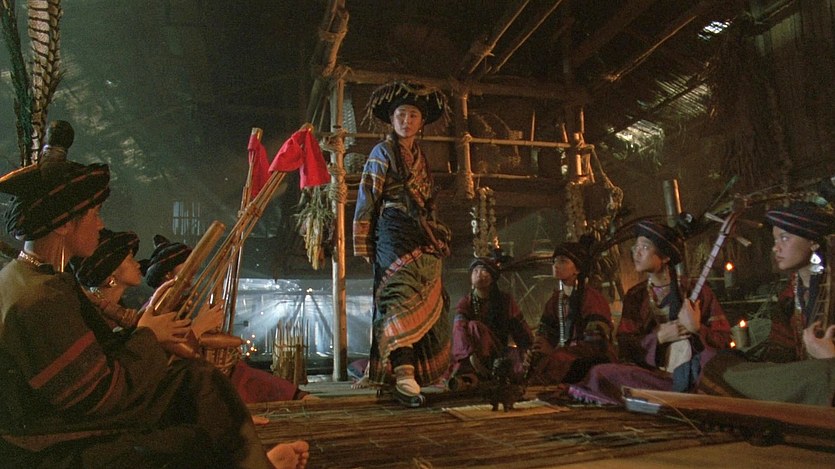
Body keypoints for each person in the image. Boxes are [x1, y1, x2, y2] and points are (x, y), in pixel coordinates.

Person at [0, 120, 308, 468]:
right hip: (49, 446)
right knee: (190, 416)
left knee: (196, 383)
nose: (100, 224)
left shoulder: (32, 280)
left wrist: (151, 338)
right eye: (94, 214)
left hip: (63, 424)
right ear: (63, 223)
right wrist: (149, 336)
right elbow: (99, 396)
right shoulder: (39, 299)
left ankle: (253, 461)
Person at [352, 81, 451, 407]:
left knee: (427, 296)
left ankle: (420, 372)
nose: (406, 121)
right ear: (391, 119)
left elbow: (429, 203)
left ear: (421, 123)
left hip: (422, 236)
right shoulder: (381, 153)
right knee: (397, 299)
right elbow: (368, 196)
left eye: (412, 116)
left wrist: (437, 232)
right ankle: (404, 373)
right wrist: (364, 242)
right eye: (401, 115)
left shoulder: (422, 158)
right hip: (393, 232)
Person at [569, 219, 731, 404]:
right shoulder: (635, 295)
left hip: (693, 373)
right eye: (635, 247)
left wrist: (697, 329)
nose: (636, 253)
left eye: (644, 247)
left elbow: (724, 341)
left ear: (665, 257)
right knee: (600, 373)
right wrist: (658, 338)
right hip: (654, 376)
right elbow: (626, 347)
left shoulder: (697, 291)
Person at [141, 234, 313, 403]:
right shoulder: (155, 311)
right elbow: (176, 348)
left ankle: (299, 396)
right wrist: (200, 328)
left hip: (204, 375)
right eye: (187, 267)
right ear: (168, 275)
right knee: (240, 380)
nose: (193, 273)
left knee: (245, 375)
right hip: (183, 387)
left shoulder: (181, 306)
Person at [699, 202, 835, 406]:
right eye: (775, 239)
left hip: (825, 380)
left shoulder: (830, 288)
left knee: (821, 375)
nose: (775, 247)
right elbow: (782, 346)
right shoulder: (792, 291)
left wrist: (829, 357)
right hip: (803, 375)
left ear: (813, 242)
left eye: (785, 238)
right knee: (721, 365)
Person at [526, 237, 616, 385]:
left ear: (578, 269)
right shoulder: (555, 300)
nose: (556, 266)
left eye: (563, 261)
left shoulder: (592, 299)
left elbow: (596, 345)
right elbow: (544, 335)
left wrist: (556, 353)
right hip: (562, 356)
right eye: (554, 261)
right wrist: (537, 351)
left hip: (589, 359)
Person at [447, 256, 533, 390]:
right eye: (475, 271)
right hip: (471, 355)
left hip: (497, 352)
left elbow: (520, 329)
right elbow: (459, 330)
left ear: (493, 278)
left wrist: (528, 350)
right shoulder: (466, 302)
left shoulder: (505, 300)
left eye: (484, 271)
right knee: (474, 326)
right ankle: (475, 377)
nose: (479, 274)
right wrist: (470, 356)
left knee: (522, 364)